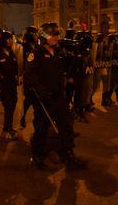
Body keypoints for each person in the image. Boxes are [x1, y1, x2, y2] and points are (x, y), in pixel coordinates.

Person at [25, 22, 85, 169]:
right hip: (44, 98)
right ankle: (37, 156)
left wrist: (76, 55)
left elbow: (65, 70)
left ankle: (68, 154)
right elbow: (30, 76)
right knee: (41, 128)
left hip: (58, 96)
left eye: (57, 34)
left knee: (66, 124)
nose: (57, 37)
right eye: (54, 34)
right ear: (45, 36)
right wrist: (41, 92)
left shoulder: (58, 52)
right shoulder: (36, 53)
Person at [19, 26, 39, 129]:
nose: (36, 35)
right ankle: (23, 117)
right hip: (28, 76)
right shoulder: (24, 47)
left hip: (37, 76)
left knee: (35, 99)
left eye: (37, 33)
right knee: (29, 98)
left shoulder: (36, 46)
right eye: (34, 34)